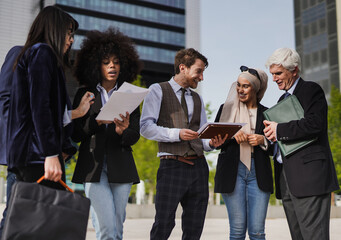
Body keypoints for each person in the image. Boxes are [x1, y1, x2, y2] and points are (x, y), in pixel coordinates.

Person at [140, 48, 227, 240]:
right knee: (163, 224)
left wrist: (212, 143)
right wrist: (176, 134)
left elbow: (201, 136)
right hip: (171, 165)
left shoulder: (197, 98)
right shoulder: (157, 90)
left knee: (194, 227)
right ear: (183, 68)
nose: (202, 77)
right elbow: (145, 127)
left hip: (199, 167)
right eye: (199, 71)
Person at [6, 6, 94, 190]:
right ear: (54, 29)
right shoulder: (42, 52)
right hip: (37, 154)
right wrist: (50, 154)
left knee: (34, 215)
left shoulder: (36, 54)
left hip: (32, 154)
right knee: (46, 215)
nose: (71, 40)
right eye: (68, 33)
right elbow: (40, 108)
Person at [71, 28, 141, 240]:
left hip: (122, 167)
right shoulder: (85, 94)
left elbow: (134, 135)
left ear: (123, 65)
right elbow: (75, 134)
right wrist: (96, 122)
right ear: (96, 65)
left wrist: (122, 131)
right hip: (93, 168)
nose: (112, 66)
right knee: (107, 230)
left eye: (116, 62)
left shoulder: (130, 94)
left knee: (117, 229)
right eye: (106, 62)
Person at [263, 47, 339, 240]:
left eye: (278, 73)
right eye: (272, 74)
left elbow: (315, 124)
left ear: (294, 70)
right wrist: (270, 139)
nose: (274, 78)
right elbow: (287, 138)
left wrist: (279, 129)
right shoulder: (282, 99)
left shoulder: (311, 90)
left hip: (310, 179)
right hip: (287, 180)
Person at [213, 66, 272, 240]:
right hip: (233, 171)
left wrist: (263, 141)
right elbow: (215, 142)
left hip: (258, 171)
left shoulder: (267, 113)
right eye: (238, 85)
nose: (240, 89)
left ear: (255, 88)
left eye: (245, 86)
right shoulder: (226, 108)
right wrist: (230, 134)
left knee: (257, 231)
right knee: (237, 231)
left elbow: (278, 147)